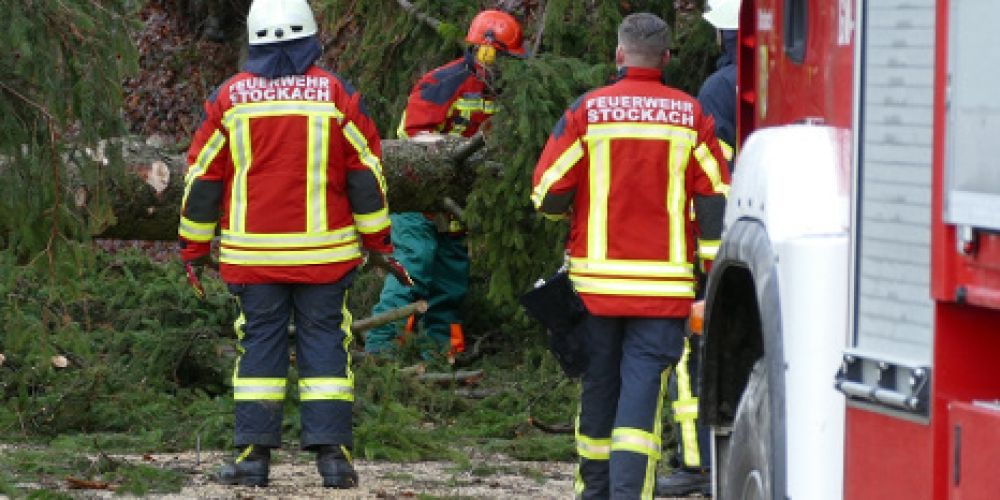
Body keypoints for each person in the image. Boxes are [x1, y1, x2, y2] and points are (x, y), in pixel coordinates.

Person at [177, 0, 410, 489]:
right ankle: (334, 461)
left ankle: (252, 461)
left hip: (253, 258)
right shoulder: (336, 94)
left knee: (258, 347)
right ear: (310, 37)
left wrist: (194, 249)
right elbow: (365, 175)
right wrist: (379, 242)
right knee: (326, 345)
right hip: (325, 257)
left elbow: (203, 181)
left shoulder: (229, 99)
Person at [531, 12, 730, 499]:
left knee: (598, 389)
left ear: (619, 54)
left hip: (595, 289)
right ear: (665, 58)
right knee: (641, 401)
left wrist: (572, 215)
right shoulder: (691, 115)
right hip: (662, 292)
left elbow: (548, 191)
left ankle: (593, 492)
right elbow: (715, 199)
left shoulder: (587, 110)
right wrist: (710, 274)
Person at [365, 10, 525, 360]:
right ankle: (380, 350)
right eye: (503, 57)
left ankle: (440, 357)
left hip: (458, 203)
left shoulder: (509, 94)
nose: (506, 66)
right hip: (418, 197)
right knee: (414, 267)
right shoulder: (443, 82)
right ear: (484, 50)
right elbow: (412, 137)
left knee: (451, 281)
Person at [656, 0, 739, 495]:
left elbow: (711, 179)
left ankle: (697, 464)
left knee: (696, 351)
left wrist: (707, 254)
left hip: (725, 236)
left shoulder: (718, 89)